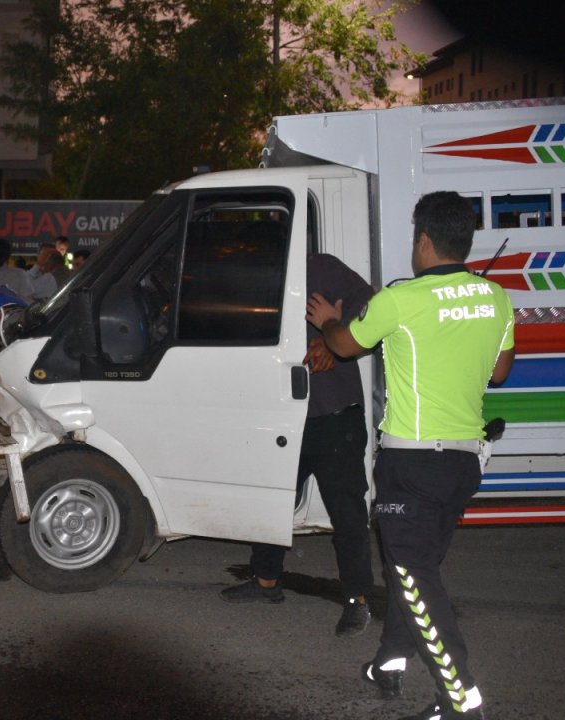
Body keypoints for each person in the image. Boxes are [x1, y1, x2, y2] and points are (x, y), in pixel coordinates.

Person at [307, 192, 515, 720]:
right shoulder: (496, 298)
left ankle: (460, 696)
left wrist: (330, 318)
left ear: (423, 240)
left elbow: (345, 346)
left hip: (412, 463)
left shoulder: (402, 299)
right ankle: (391, 659)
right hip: (464, 463)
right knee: (413, 570)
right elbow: (499, 372)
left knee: (413, 572)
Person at [220, 254, 376, 639]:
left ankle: (357, 600)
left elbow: (372, 305)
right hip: (278, 415)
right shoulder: (255, 280)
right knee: (270, 501)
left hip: (334, 415)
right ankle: (266, 582)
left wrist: (331, 337)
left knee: (348, 514)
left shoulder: (321, 267)